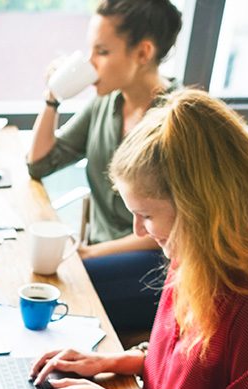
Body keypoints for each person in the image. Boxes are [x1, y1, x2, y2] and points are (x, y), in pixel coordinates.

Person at [30, 89, 248, 389]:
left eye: (147, 215)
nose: (139, 230)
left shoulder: (241, 298)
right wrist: (116, 361)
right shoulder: (195, 253)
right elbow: (190, 365)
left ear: (198, 208)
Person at [27, 0, 182, 336]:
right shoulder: (107, 103)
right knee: (45, 277)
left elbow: (171, 231)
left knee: (55, 292)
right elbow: (39, 164)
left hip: (154, 264)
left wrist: (89, 254)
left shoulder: (175, 123)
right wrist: (53, 98)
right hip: (97, 253)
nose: (90, 64)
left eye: (102, 52)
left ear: (142, 53)